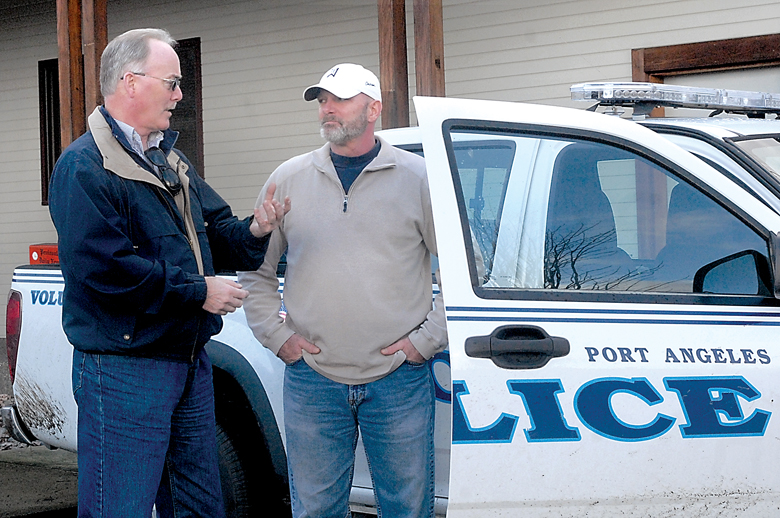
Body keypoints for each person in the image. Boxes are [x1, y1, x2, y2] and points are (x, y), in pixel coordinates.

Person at [48, 28, 289, 517]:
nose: (180, 95)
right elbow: (107, 272)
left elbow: (218, 230)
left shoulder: (170, 160)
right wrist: (197, 291)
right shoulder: (84, 168)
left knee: (199, 505)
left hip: (189, 362)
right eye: (172, 82)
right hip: (123, 370)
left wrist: (257, 228)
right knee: (119, 506)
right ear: (130, 82)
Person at [238, 63, 448, 518]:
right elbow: (254, 267)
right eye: (321, 100)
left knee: (407, 509)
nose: (326, 109)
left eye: (339, 99)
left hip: (399, 379)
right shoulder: (287, 178)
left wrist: (422, 343)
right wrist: (277, 338)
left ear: (374, 108)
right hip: (313, 379)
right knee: (315, 511)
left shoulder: (419, 178)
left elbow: (460, 274)